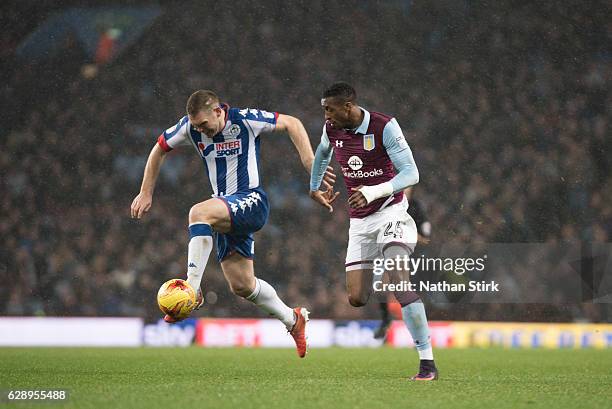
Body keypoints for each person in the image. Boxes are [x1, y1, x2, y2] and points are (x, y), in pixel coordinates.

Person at [131, 90, 333, 358]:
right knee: (242, 286)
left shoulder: (245, 120)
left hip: (251, 201)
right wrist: (146, 191)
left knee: (198, 213)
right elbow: (159, 149)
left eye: (203, 124)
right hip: (225, 210)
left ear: (218, 111)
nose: (200, 129)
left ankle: (192, 290)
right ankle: (293, 320)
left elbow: (292, 123)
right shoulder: (189, 128)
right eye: (195, 126)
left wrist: (311, 166)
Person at [309, 82, 438, 380]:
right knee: (356, 297)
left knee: (398, 280)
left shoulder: (384, 126)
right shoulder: (331, 129)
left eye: (330, 109)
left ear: (348, 107)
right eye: (324, 109)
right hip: (360, 222)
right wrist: (315, 187)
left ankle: (427, 363)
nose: (326, 115)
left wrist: (374, 191)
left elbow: (411, 173)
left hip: (391, 211)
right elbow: (322, 154)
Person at [374, 186, 432, 340]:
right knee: (380, 289)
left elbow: (425, 238)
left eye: (407, 186)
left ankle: (421, 333)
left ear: (412, 188)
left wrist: (405, 232)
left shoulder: (417, 207)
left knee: (413, 298)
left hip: (414, 257)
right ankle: (386, 321)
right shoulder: (389, 205)